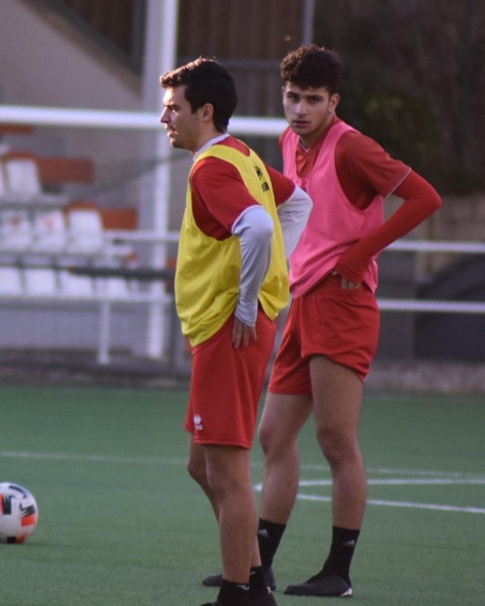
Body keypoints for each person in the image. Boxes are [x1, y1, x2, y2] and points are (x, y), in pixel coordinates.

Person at [255, 45, 442, 598]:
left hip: (343, 302)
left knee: (335, 439)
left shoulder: (353, 146)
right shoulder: (290, 141)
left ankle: (338, 572)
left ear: (334, 101)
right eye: (293, 97)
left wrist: (362, 254)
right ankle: (255, 566)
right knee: (272, 436)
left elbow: (424, 197)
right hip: (304, 299)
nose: (300, 109)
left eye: (313, 100)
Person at [160, 58, 311, 606]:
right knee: (201, 464)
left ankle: (239, 592)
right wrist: (277, 273)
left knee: (226, 471)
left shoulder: (212, 168)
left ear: (205, 111)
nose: (164, 118)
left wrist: (248, 302)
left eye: (174, 107)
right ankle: (253, 583)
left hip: (231, 331)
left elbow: (256, 225)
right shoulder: (240, 155)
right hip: (226, 328)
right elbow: (298, 203)